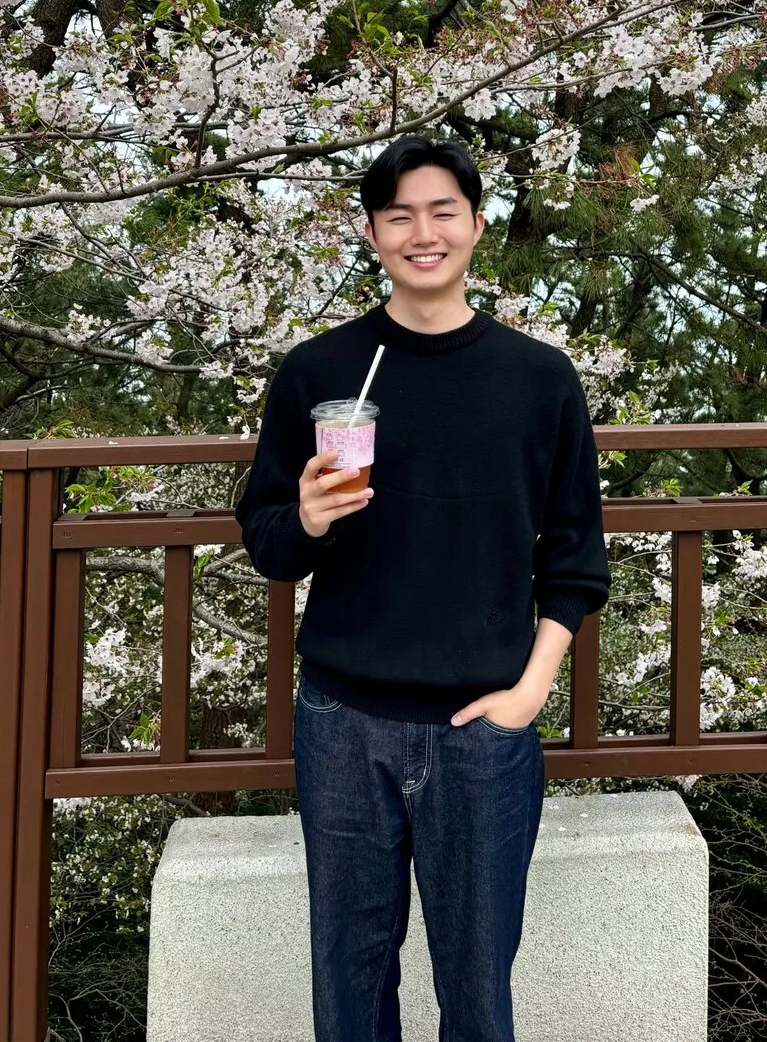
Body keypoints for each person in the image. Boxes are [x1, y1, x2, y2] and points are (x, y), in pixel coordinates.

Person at [236, 134, 610, 1042]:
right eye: (399, 214)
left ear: (477, 226)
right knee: (350, 984)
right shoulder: (322, 373)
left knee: (478, 992)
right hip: (340, 719)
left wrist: (530, 692)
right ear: (372, 234)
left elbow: (574, 558)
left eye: (443, 211)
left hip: (483, 730)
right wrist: (314, 517)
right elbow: (269, 544)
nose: (422, 232)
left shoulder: (537, 378)